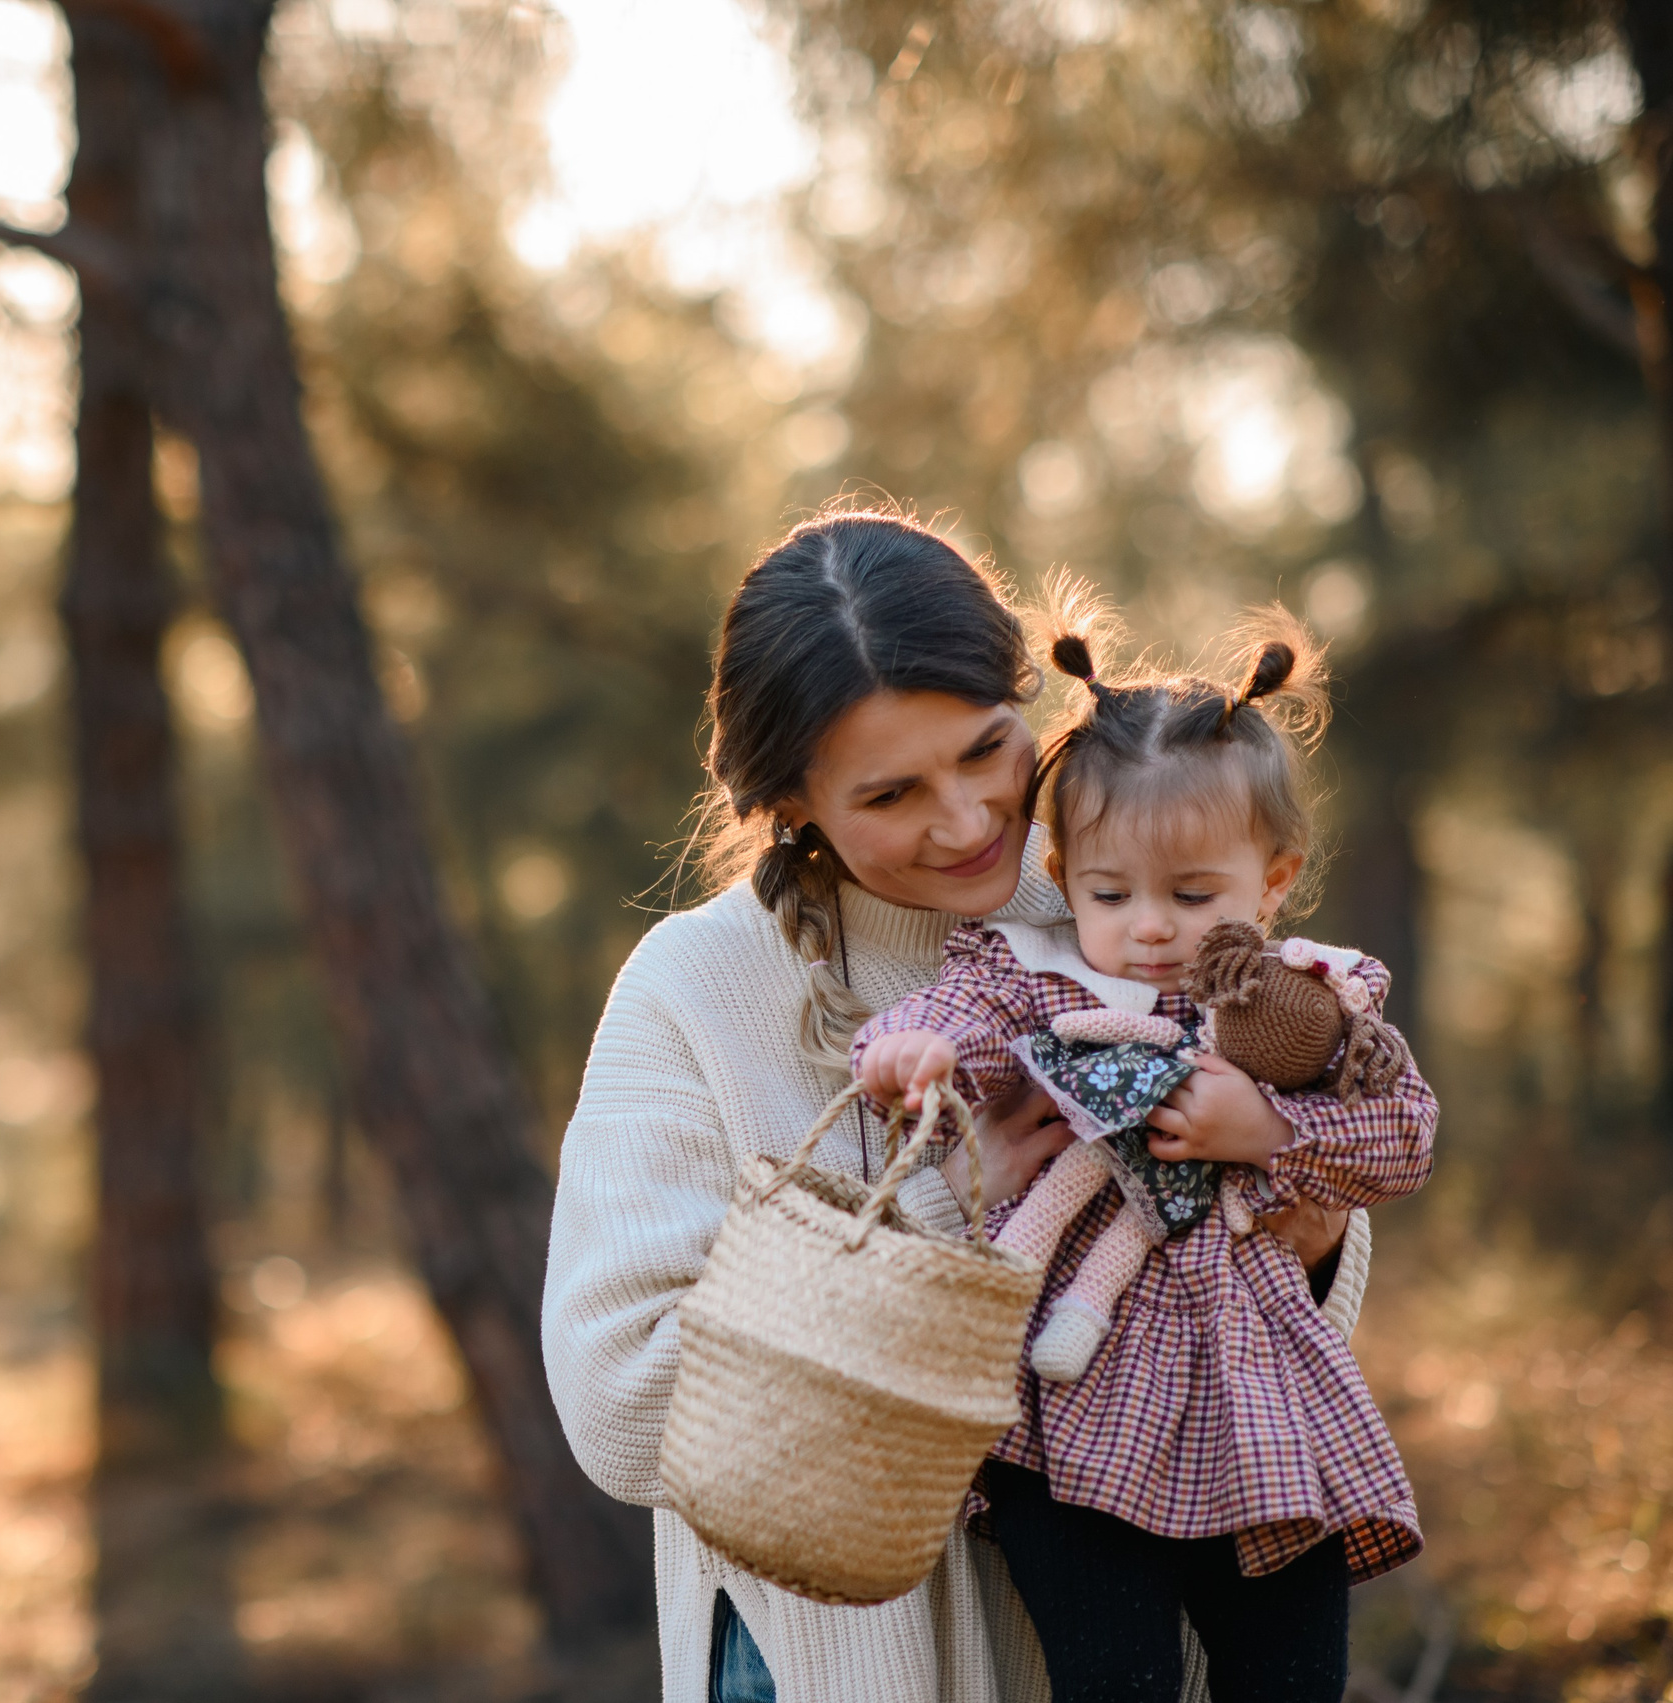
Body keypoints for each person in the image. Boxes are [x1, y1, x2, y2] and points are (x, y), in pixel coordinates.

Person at [540, 510, 1369, 1703]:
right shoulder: (696, 990)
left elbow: (1312, 1282)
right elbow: (624, 1409)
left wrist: (1301, 1199)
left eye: (987, 750)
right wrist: (944, 1216)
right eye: (891, 791)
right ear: (790, 800)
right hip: (842, 1662)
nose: (969, 819)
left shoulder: (1124, 900)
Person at [853, 609, 1433, 1702]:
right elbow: (960, 1016)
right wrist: (914, 1047)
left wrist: (1268, 1132)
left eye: (1194, 894)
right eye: (1111, 893)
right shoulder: (1035, 967)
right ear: (1063, 870)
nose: (1152, 928)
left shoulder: (1300, 996)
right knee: (1112, 1674)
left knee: (1291, 1667)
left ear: (1272, 878)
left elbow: (1402, 1129)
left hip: (1255, 1388)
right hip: (1074, 1403)